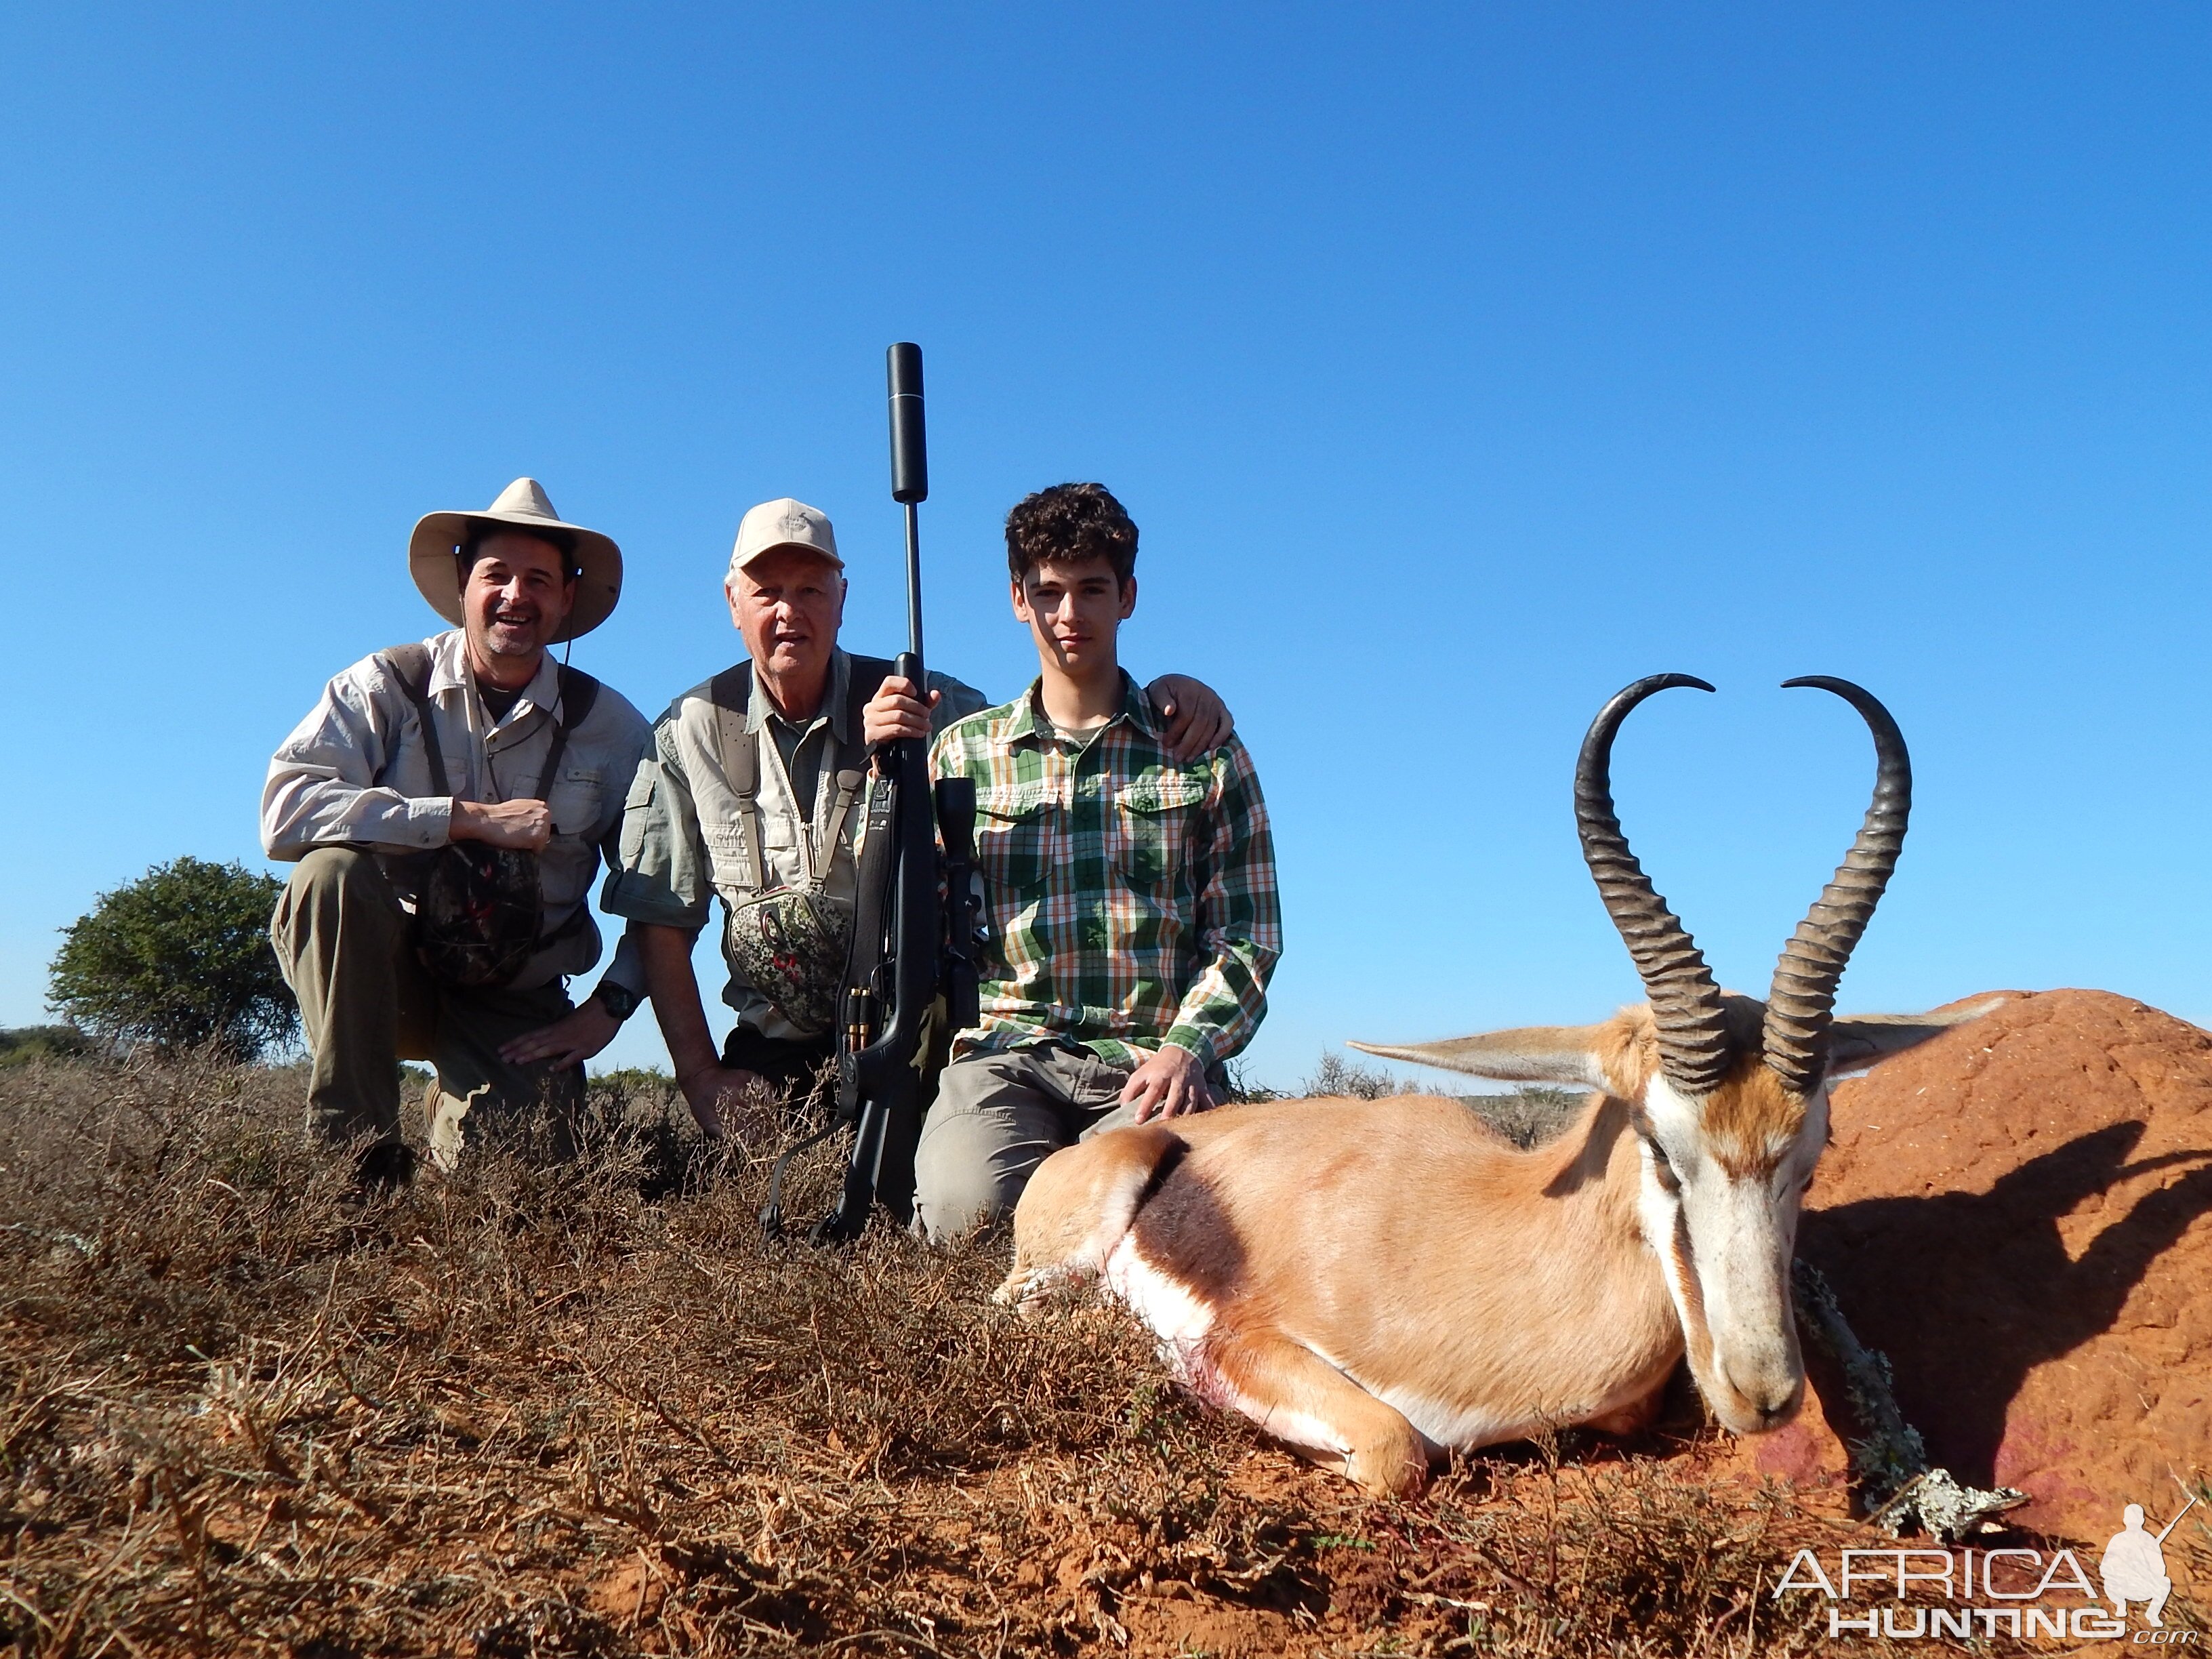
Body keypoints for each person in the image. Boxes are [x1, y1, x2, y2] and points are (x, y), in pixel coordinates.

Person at [604, 497, 1235, 1141]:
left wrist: (1167, 692)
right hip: (776, 1045)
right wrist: (701, 1078)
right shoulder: (691, 728)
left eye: (810, 591)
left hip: (913, 1038)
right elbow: (663, 919)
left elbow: (1059, 717)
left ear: (842, 599)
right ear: (733, 601)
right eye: (767, 592)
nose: (789, 611)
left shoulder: (934, 703)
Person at [892, 481, 1281, 1240]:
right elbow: (900, 919)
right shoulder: (960, 753)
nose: (1070, 616)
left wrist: (1187, 1050)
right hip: (1008, 1058)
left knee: (1140, 1230)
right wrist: (887, 784)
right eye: (1049, 592)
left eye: (1092, 590)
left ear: (1127, 596)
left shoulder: (1204, 751)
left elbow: (1248, 935)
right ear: (1017, 600)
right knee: (959, 1220)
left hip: (1150, 1063)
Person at [262, 479, 652, 1184]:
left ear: (567, 597)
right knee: (330, 876)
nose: (516, 596)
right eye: (496, 575)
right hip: (384, 974)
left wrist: (610, 1006)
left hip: (517, 994)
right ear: (463, 584)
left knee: (519, 1185)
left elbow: (660, 885)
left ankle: (458, 1118)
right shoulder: (385, 683)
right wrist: (462, 819)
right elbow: (287, 808)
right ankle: (354, 1162)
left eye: (539, 579)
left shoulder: (614, 728)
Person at [2100, 1504, 2173, 1626]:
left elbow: (2105, 1568)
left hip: (2121, 1589)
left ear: (2125, 1521)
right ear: (2142, 1521)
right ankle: (2153, 1613)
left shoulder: (2118, 1539)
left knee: (2108, 1581)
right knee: (2165, 1582)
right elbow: (2161, 1570)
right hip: (2143, 1590)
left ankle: (2121, 1604)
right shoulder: (2149, 1540)